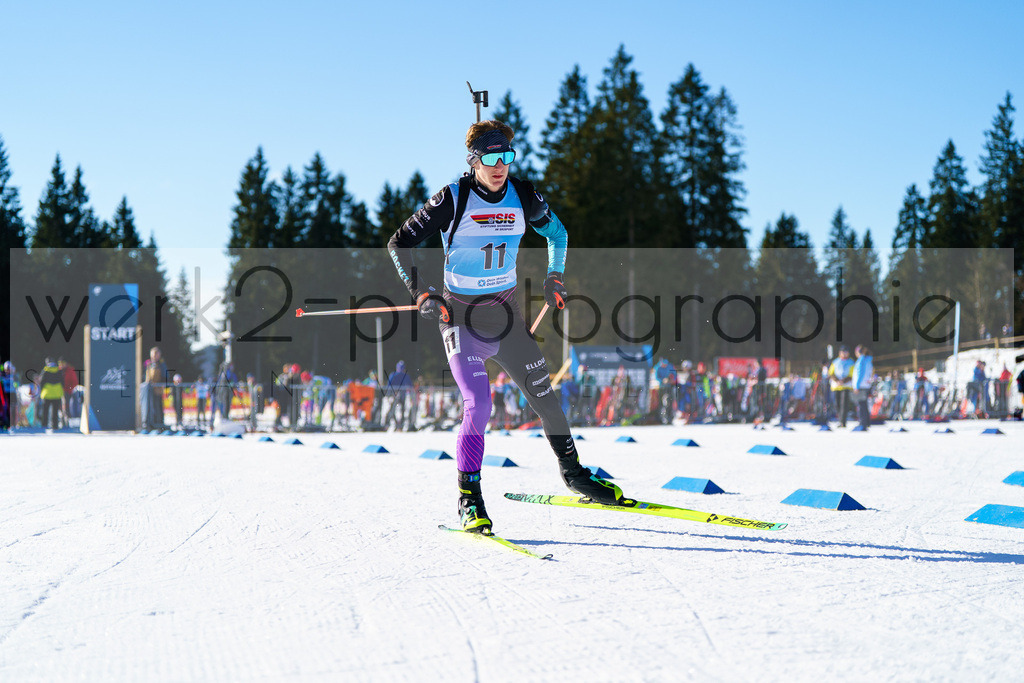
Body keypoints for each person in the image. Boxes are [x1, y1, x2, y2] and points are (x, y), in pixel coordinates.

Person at [386, 118, 624, 533]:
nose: (500, 167)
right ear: (474, 160)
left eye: (507, 157)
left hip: (508, 319)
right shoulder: (452, 198)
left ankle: (573, 474)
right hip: (460, 320)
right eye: (491, 158)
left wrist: (554, 277)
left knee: (546, 400)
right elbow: (398, 243)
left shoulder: (523, 195)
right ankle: (469, 499)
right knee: (479, 405)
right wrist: (422, 293)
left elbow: (558, 233)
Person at [828, 346, 854, 427]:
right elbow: (831, 373)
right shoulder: (835, 362)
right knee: (837, 404)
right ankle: (840, 419)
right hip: (836, 386)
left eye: (846, 352)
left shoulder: (851, 362)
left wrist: (843, 381)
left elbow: (852, 374)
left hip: (846, 386)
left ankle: (843, 421)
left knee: (844, 404)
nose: (844, 354)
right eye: (843, 352)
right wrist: (837, 380)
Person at [38, 357, 65, 431]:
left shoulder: (45, 371)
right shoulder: (59, 371)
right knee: (55, 411)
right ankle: (55, 425)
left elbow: (42, 382)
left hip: (47, 393)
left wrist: (41, 390)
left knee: (45, 411)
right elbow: (62, 382)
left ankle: (44, 425)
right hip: (57, 393)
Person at [852, 345, 874, 431]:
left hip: (860, 385)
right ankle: (867, 422)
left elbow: (860, 374)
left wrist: (856, 386)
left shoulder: (861, 360)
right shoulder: (869, 360)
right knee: (864, 404)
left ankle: (862, 422)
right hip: (866, 384)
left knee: (861, 405)